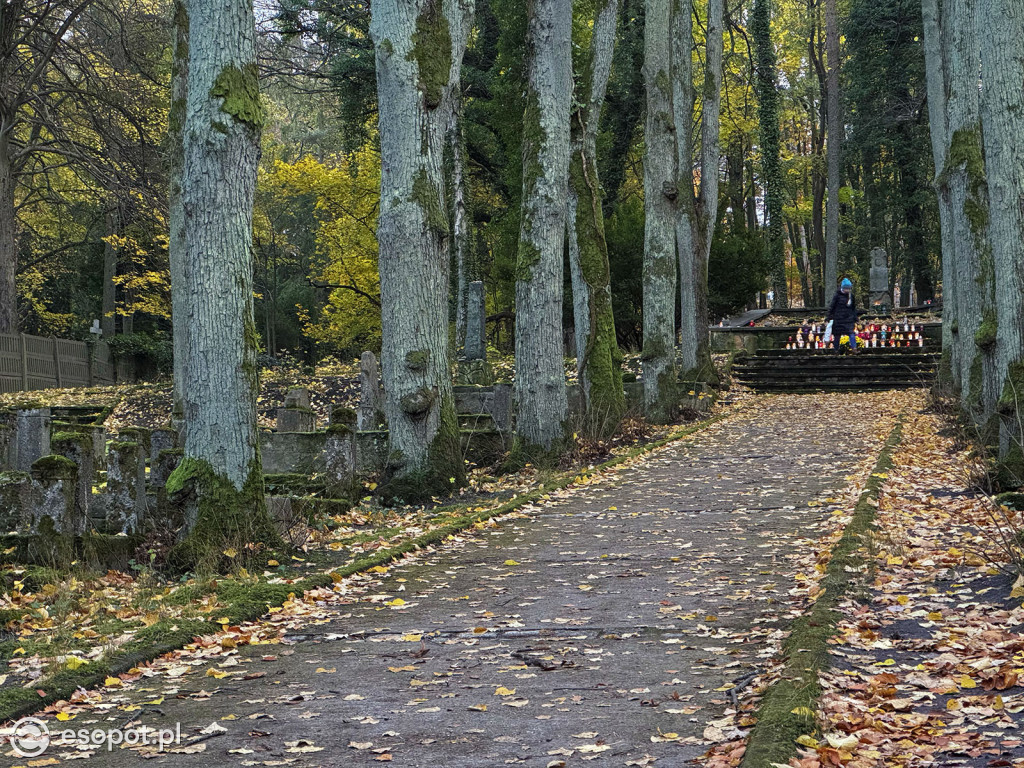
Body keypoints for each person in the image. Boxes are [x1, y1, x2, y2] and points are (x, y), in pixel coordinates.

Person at [826, 278, 860, 351]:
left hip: (849, 318)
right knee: (837, 335)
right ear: (843, 288)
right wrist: (828, 317)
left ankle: (854, 348)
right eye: (846, 288)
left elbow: (853, 308)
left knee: (851, 333)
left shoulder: (851, 296)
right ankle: (836, 350)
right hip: (838, 319)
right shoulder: (837, 296)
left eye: (849, 288)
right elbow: (832, 306)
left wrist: (855, 318)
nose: (848, 290)